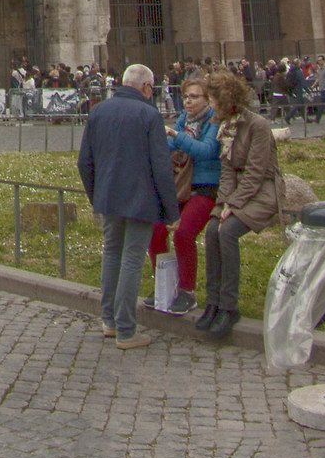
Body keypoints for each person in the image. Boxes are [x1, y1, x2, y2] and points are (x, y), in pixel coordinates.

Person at [76, 64, 178, 348]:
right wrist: (171, 211)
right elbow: (161, 168)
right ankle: (126, 330)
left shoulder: (98, 111)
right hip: (141, 199)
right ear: (146, 87)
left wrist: (97, 195)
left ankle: (108, 321)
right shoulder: (149, 115)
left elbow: (85, 162)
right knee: (132, 260)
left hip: (108, 197)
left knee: (112, 255)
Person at [198, 70, 282, 341]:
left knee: (228, 232)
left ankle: (229, 306)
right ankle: (213, 301)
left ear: (226, 100)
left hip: (263, 190)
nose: (210, 106)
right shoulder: (226, 125)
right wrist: (222, 203)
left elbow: (257, 171)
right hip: (237, 191)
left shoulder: (258, 125)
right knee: (212, 231)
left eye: (212, 100)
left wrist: (233, 205)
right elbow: (226, 171)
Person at [148, 74, 221, 318]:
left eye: (194, 97)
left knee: (183, 233)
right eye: (186, 97)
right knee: (156, 230)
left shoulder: (214, 121)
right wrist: (174, 138)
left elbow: (207, 151)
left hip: (204, 185)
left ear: (208, 99)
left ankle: (188, 292)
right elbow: (167, 146)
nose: (188, 102)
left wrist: (178, 137)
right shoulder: (183, 119)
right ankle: (163, 286)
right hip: (180, 184)